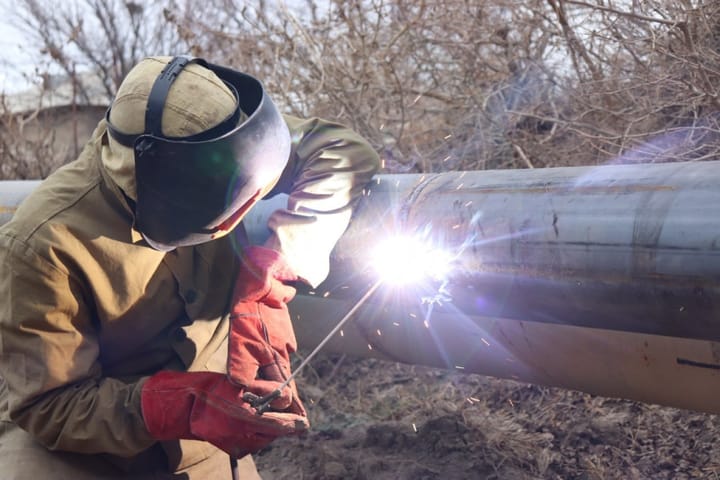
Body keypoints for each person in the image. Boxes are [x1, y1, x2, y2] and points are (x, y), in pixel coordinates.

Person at [0, 55, 380, 479]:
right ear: (169, 189)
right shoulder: (42, 243)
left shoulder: (223, 144)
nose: (248, 206)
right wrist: (179, 404)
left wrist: (278, 267)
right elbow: (51, 406)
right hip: (83, 448)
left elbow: (340, 151)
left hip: (201, 443)